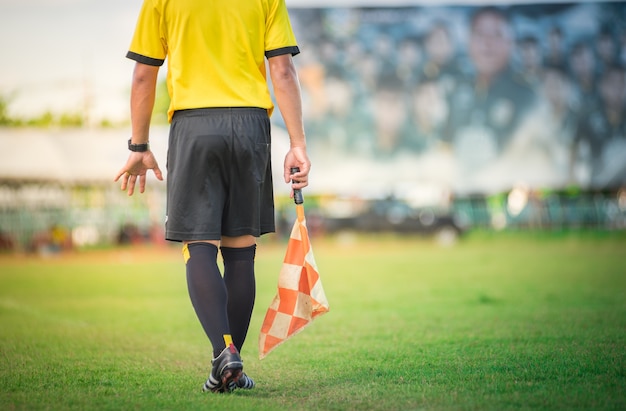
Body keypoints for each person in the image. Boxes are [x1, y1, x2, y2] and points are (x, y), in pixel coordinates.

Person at [114, 0, 311, 394]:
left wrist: (138, 145)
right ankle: (228, 364)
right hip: (252, 124)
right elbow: (283, 70)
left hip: (195, 125)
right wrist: (297, 143)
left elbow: (142, 76)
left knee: (199, 244)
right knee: (241, 249)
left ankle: (225, 355)